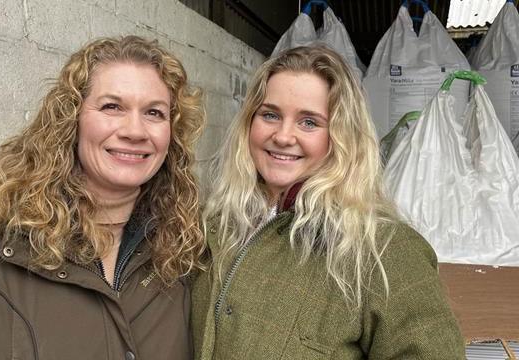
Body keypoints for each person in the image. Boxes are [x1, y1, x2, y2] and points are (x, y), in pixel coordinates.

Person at [0, 36, 205, 359]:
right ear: (71, 119)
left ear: (171, 132)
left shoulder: (183, 251)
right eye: (112, 106)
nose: (135, 130)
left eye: (154, 113)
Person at [191, 45, 465, 359]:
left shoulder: (384, 250)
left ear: (341, 136)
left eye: (309, 122)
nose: (282, 135)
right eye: (270, 114)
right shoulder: (215, 224)